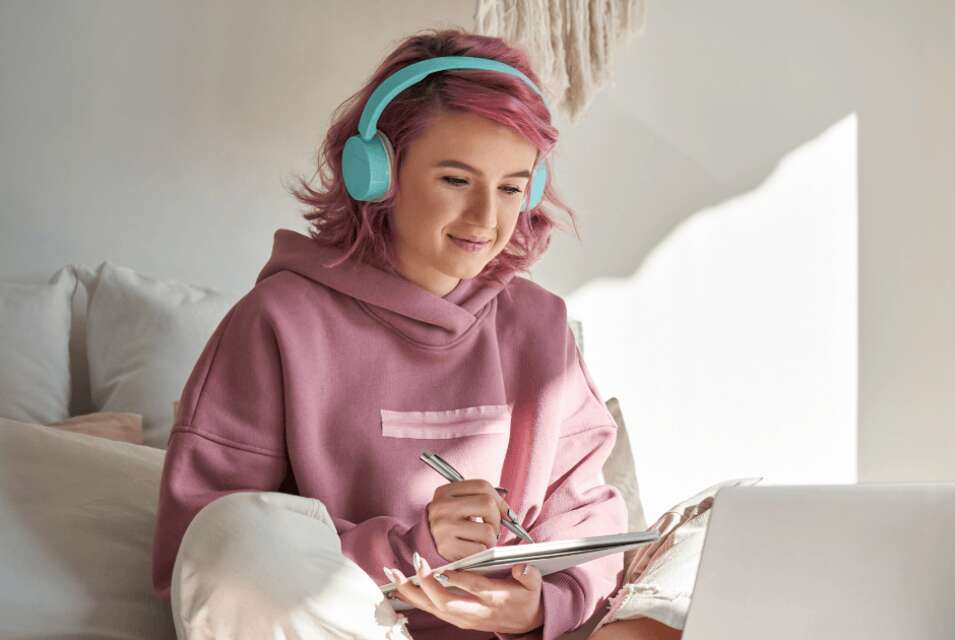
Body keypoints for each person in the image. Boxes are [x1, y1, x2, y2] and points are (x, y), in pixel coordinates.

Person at [150, 28, 677, 639]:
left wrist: (539, 609)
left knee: (718, 524)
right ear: (378, 174)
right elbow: (209, 552)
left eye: (511, 188)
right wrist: (410, 549)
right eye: (456, 180)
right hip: (340, 627)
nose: (486, 218)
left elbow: (588, 520)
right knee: (241, 534)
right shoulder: (279, 320)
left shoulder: (541, 324)